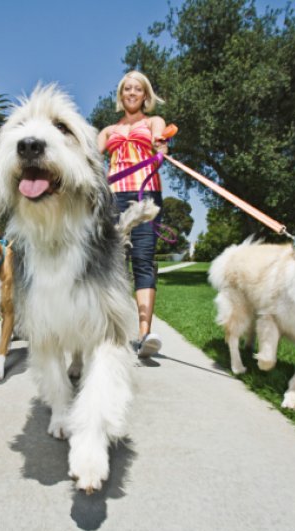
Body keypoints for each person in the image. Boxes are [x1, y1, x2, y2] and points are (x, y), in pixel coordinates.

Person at [97, 70, 169, 358]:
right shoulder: (107, 131)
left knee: (142, 259)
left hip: (145, 195)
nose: (131, 93)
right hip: (113, 197)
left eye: (137, 89)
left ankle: (144, 335)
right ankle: (108, 331)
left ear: (145, 96)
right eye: (127, 89)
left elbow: (159, 141)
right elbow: (89, 157)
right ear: (120, 95)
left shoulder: (154, 121)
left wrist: (160, 146)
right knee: (112, 262)